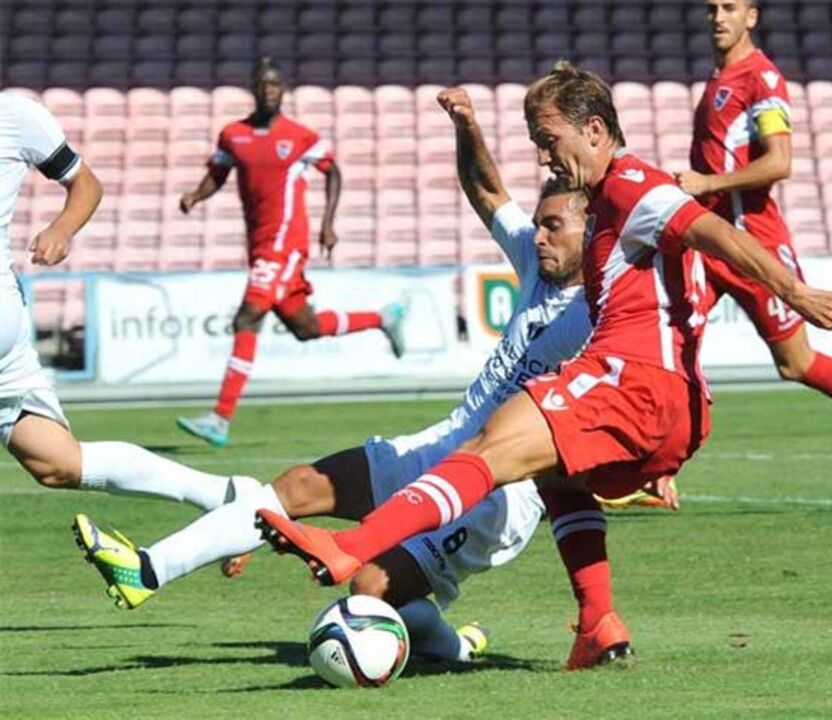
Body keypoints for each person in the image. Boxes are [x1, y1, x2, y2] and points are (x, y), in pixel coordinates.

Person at [252, 63, 832, 670]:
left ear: (596, 131)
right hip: (675, 407)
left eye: (549, 142)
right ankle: (597, 623)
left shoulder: (634, 185)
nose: (545, 159)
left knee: (489, 445)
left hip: (632, 381)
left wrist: (797, 294)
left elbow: (717, 234)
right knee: (558, 478)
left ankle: (352, 543)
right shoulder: (606, 203)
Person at [73, 87, 669, 665]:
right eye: (536, 224)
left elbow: (624, 393)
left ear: (590, 233)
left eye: (553, 227)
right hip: (443, 444)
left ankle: (450, 646)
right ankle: (146, 569)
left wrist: (647, 468)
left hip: (500, 491)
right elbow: (486, 189)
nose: (536, 235)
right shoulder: (538, 268)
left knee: (369, 589)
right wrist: (467, 127)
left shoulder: (607, 308)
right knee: (298, 487)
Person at [675, 0, 832, 493]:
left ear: (752, 16)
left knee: (796, 363)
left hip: (754, 246)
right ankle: (656, 473)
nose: (718, 17)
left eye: (729, 7)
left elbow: (779, 162)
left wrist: (707, 183)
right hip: (709, 242)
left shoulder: (761, 80)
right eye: (711, 8)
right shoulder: (717, 77)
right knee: (672, 340)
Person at [0, 90, 262, 520]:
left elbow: (85, 183)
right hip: (7, 311)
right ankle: (226, 495)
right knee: (57, 462)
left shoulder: (14, 114)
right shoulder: (17, 113)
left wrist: (63, 229)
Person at [175, 57, 405, 449]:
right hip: (260, 245)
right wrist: (196, 195)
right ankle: (383, 318)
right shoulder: (234, 134)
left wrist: (327, 223)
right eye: (262, 85)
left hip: (285, 244)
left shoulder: (300, 137)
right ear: (254, 89)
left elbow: (332, 171)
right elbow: (218, 173)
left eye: (275, 85)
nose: (269, 91)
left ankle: (220, 418)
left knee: (247, 318)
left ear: (283, 90)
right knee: (305, 328)